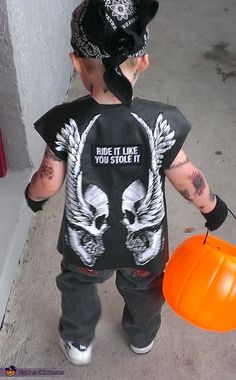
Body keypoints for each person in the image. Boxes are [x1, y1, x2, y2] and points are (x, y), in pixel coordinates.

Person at [25, 0, 228, 366]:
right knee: (145, 288)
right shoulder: (162, 120)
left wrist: (32, 197)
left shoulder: (64, 121)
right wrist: (212, 208)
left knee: (78, 285)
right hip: (144, 250)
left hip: (86, 245)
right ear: (144, 60)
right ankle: (141, 336)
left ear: (76, 61)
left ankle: (78, 341)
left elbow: (48, 180)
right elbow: (186, 176)